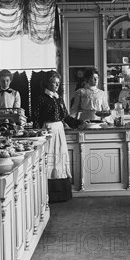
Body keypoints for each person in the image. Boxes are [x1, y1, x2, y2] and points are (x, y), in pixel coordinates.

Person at [32, 70, 84, 202]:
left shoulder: (58, 98)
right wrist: (38, 134)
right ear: (46, 83)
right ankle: (48, 194)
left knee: (60, 160)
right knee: (49, 160)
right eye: (53, 83)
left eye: (58, 83)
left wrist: (80, 123)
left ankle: (62, 194)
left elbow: (66, 116)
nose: (56, 85)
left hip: (59, 131)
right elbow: (36, 118)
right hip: (48, 132)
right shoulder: (40, 99)